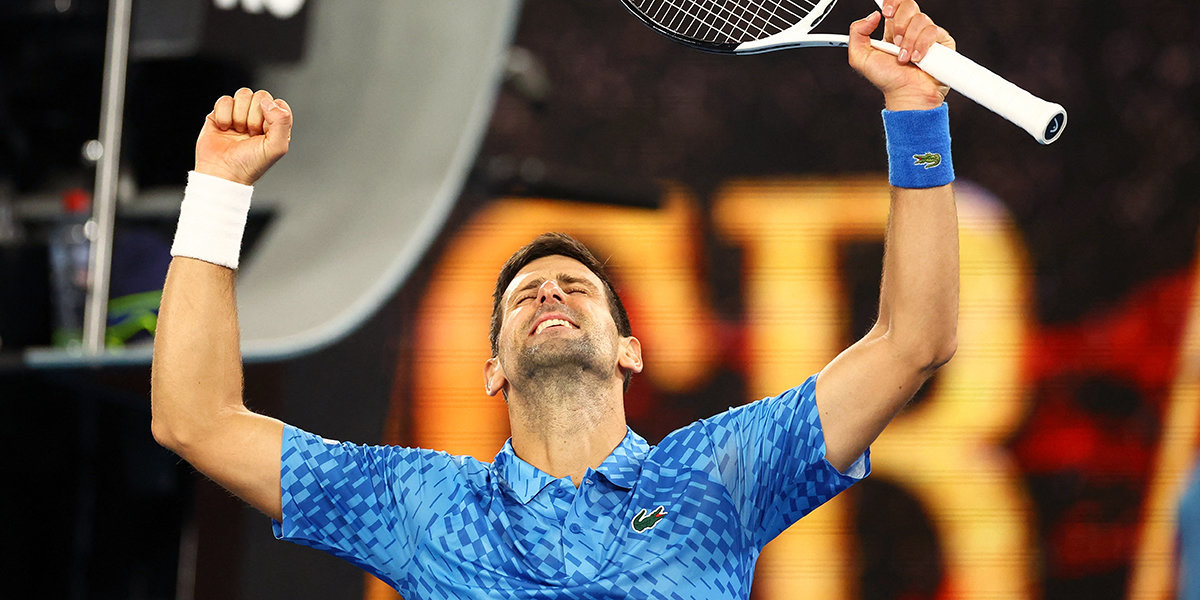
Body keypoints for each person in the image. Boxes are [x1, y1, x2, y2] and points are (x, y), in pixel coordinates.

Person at [150, 0, 959, 596]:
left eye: (578, 287)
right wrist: (218, 186)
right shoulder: (421, 505)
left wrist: (916, 112)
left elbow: (912, 341)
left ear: (629, 350)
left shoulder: (718, 475)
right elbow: (196, 420)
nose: (549, 290)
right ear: (493, 370)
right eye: (523, 296)